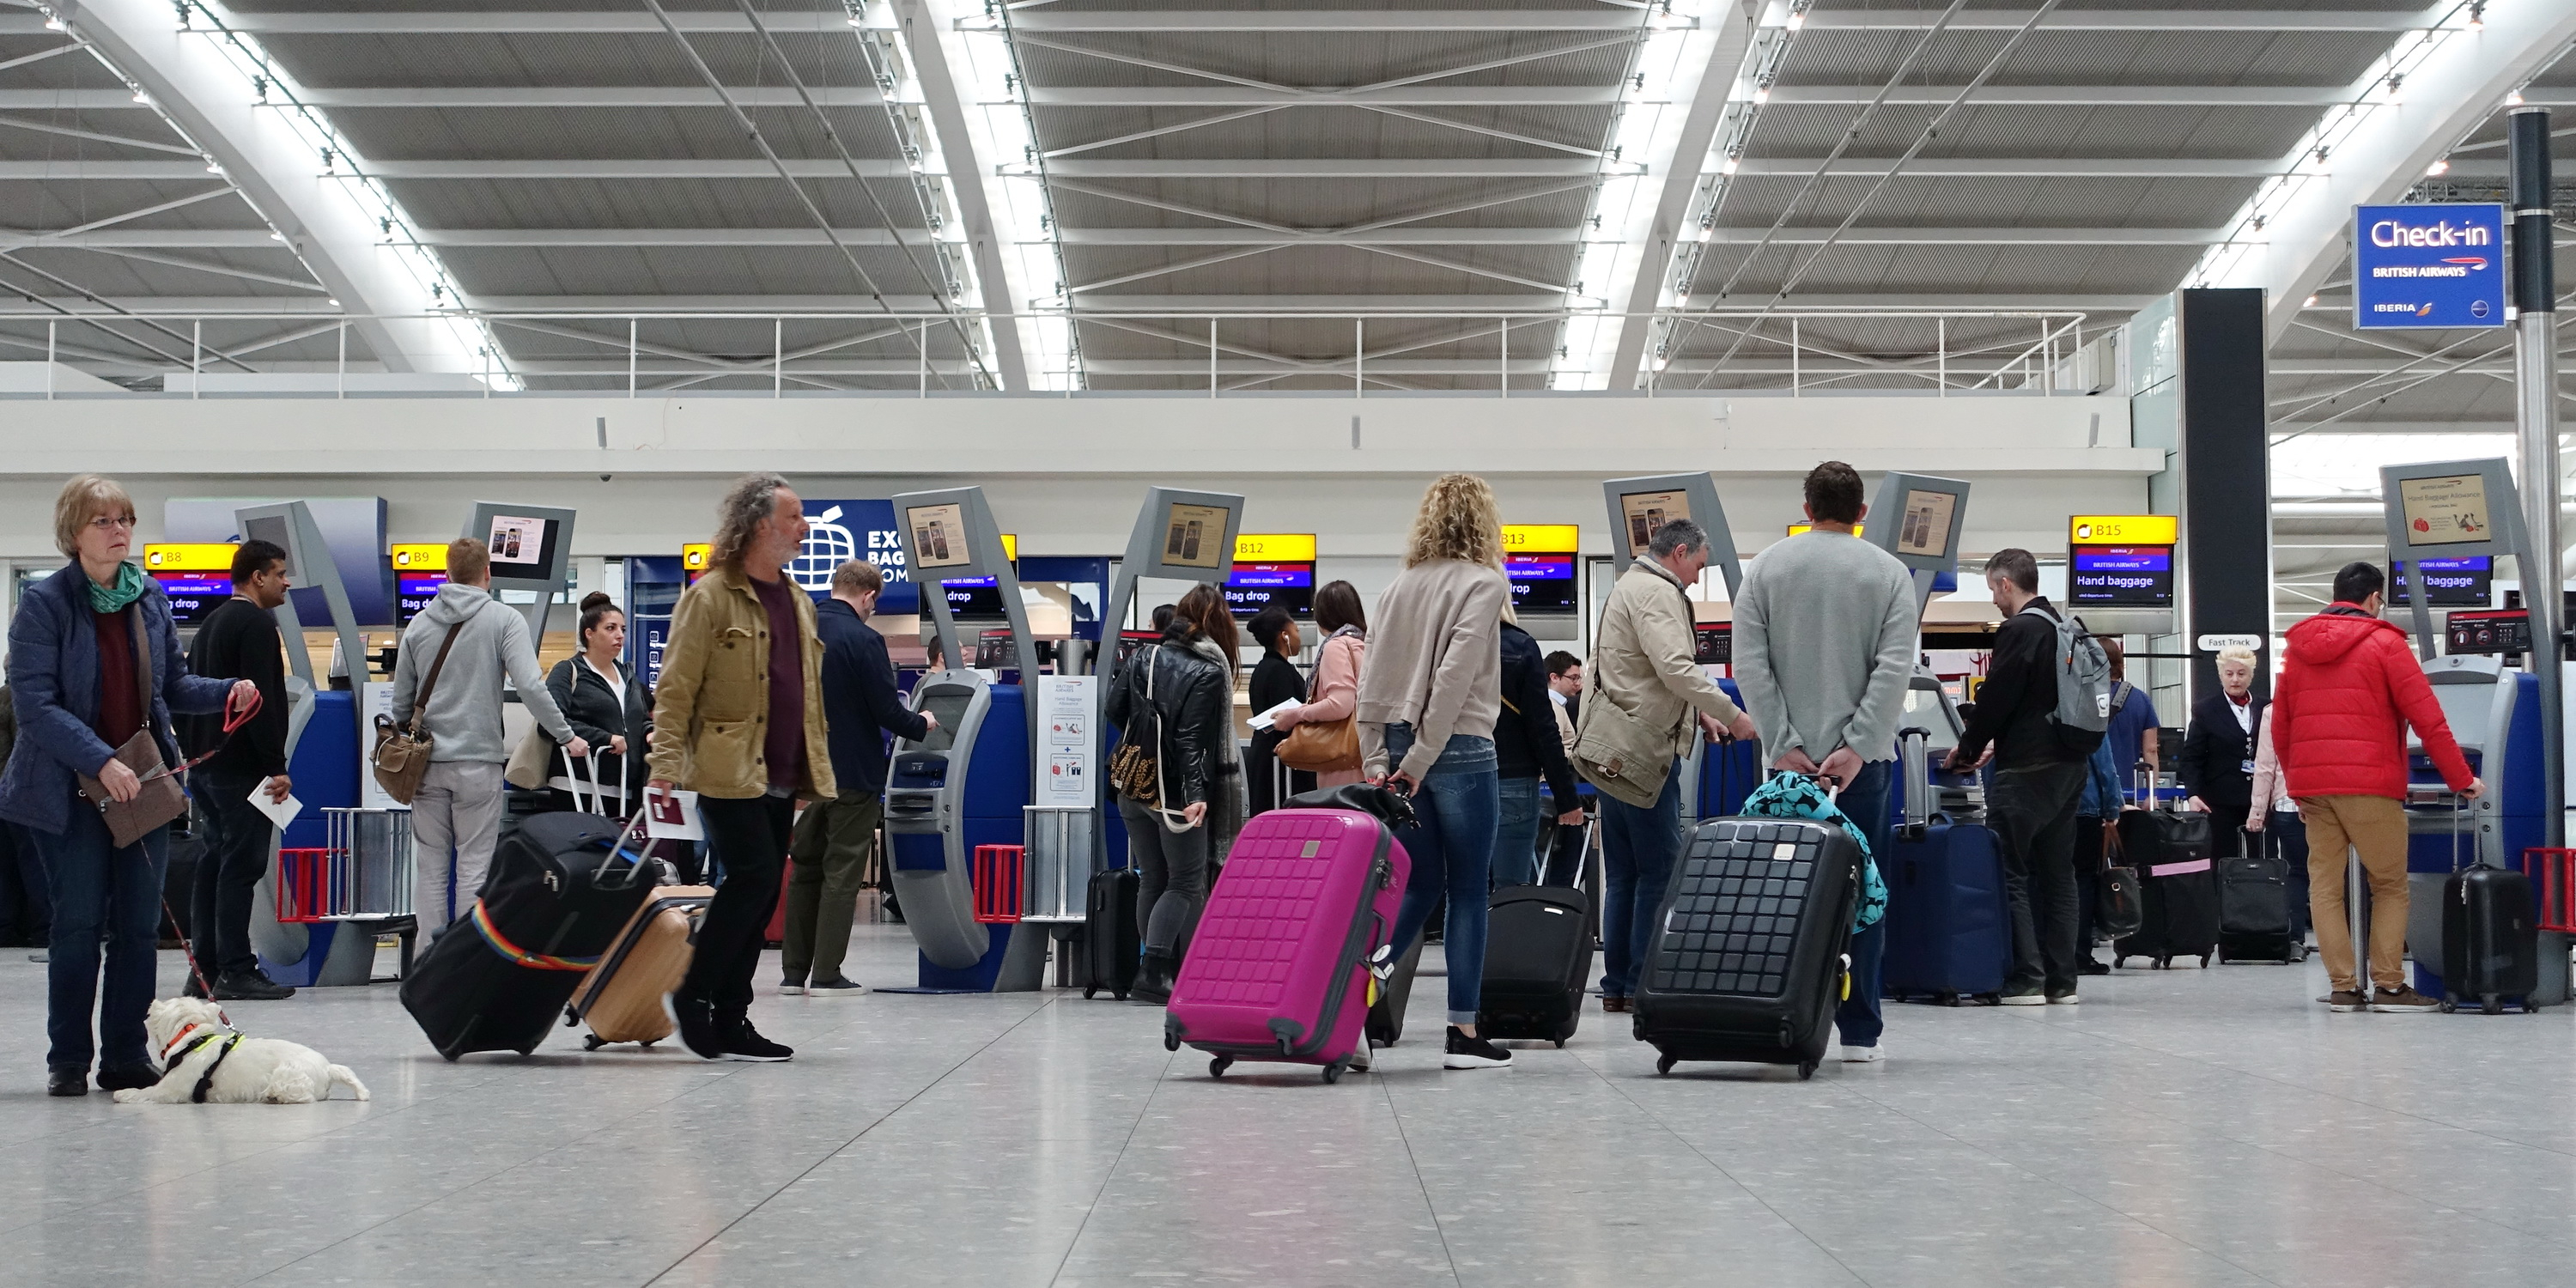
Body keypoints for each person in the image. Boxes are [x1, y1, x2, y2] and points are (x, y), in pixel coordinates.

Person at [1, 475, 253, 1098]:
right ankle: (68, 1060)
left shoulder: (149, 597)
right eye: (104, 521)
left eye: (126, 520)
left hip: (140, 784)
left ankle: (124, 1057)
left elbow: (171, 687)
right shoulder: (44, 604)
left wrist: (227, 691)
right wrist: (99, 760)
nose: (120, 531)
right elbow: (35, 706)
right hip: (65, 790)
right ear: (73, 533)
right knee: (78, 927)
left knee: (140, 930)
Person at [1732, 460, 1917, 1063]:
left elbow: (1750, 666)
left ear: (1806, 508)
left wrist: (1783, 743)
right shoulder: (1889, 574)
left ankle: (1782, 1015)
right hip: (1862, 769)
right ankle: (1859, 1032)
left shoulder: (1765, 568)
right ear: (1861, 512)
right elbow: (1894, 669)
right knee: (1863, 893)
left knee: (1783, 895)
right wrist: (1857, 746)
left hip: (1787, 772)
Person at [648, 473, 835, 1060]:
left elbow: (806, 694)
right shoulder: (709, 597)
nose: (805, 527)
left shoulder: (799, 601)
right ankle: (692, 990)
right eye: (794, 516)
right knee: (752, 878)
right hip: (726, 768)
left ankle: (732, 1019)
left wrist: (810, 768)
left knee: (759, 893)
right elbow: (676, 689)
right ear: (760, 525)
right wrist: (663, 765)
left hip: (781, 773)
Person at [1358, 472, 1522, 1070]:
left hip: (1399, 744)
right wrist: (1424, 759)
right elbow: (1454, 679)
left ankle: (1348, 1001)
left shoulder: (1397, 588)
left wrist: (1381, 758)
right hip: (1459, 748)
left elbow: (1371, 679)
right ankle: (1462, 1032)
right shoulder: (1485, 583)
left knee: (1418, 885)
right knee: (1469, 890)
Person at [2271, 562, 2482, 1012]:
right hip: (2370, 784)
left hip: (2315, 789)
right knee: (2388, 885)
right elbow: (2428, 718)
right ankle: (2389, 986)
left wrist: (2298, 786)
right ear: (2374, 599)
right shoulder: (2386, 643)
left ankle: (2344, 988)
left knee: (2324, 888)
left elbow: (2281, 726)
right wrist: (2461, 779)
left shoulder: (2297, 649)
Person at [1578, 518, 1759, 1017]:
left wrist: (1698, 715)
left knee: (1623, 875)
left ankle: (1617, 984)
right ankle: (1643, 982)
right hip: (1642, 753)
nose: (1697, 578)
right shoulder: (1659, 592)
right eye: (1698, 566)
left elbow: (1634, 672)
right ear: (1679, 553)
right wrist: (1732, 713)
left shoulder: (1626, 586)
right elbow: (1675, 667)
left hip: (1610, 749)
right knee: (1659, 872)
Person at [392, 537, 585, 936]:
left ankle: (430, 959)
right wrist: (566, 735)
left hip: (426, 765)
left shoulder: (419, 624)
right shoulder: (505, 620)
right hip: (479, 764)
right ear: (487, 573)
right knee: (474, 866)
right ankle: (465, 956)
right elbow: (530, 685)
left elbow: (401, 704)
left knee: (430, 866)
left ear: (446, 573)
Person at [1945, 549, 2096, 1005]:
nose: (1994, 599)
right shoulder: (2065, 627)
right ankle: (2062, 982)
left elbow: (1998, 697)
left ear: (2006, 584)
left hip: (2026, 769)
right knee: (2059, 875)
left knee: (2008, 869)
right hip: (2070, 765)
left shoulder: (2019, 630)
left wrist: (1968, 749)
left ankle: (2026, 978)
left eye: (1993, 589)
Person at [781, 561, 931, 999]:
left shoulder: (797, 630)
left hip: (802, 772)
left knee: (805, 868)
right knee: (842, 872)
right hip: (852, 774)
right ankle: (827, 973)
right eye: (873, 605)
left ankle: (793, 974)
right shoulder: (864, 639)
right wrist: (922, 722)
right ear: (868, 597)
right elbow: (886, 710)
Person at [1103, 583, 1243, 1002]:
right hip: (1175, 795)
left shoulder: (1143, 656)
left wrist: (1146, 738)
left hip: (1132, 783)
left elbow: (1114, 708)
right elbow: (1190, 740)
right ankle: (1156, 969)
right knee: (1184, 880)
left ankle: (1152, 967)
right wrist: (1196, 794)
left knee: (1153, 877)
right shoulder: (1209, 671)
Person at [179, 538, 297, 1001]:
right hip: (243, 769)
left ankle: (204, 970)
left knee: (213, 863)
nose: (286, 582)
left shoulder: (211, 624)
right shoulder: (256, 624)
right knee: (241, 868)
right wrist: (276, 767)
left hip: (207, 767)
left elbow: (184, 694)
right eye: (280, 573)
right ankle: (236, 969)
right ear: (257, 577)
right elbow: (260, 702)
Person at [2074, 640, 2155, 974]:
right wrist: (2117, 806)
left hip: (2055, 806)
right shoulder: (2133, 700)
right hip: (2097, 804)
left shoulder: (2058, 700)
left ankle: (2052, 953)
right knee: (2087, 879)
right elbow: (2143, 753)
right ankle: (2082, 950)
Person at [1492, 607, 1583, 888]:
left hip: (1453, 774)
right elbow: (1543, 731)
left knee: (1463, 887)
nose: (1579, 684)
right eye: (1573, 678)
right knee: (1511, 887)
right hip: (1513, 775)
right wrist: (1567, 798)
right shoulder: (1519, 646)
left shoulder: (1442, 641)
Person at [543, 593, 650, 817]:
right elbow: (550, 721)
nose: (620, 635)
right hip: (578, 783)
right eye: (610, 628)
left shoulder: (627, 675)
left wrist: (650, 732)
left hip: (624, 786)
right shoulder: (568, 671)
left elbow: (639, 719)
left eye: (623, 629)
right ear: (589, 634)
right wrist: (606, 738)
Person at [1272, 580, 1367, 790]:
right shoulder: (1365, 644)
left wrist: (1295, 715)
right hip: (1368, 757)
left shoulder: (1336, 647)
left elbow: (1340, 704)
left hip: (1343, 767)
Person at [2179, 645, 2264, 859]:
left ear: (2251, 676)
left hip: (2259, 799)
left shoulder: (2266, 707)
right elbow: (2192, 757)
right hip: (2219, 801)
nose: (2235, 680)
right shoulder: (2206, 709)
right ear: (2221, 676)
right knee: (2224, 860)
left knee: (2261, 860)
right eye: (2229, 674)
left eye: (2241, 674)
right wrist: (2193, 794)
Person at [2242, 702, 2309, 946]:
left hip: (2288, 801)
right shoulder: (2332, 701)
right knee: (2334, 875)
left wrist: (2257, 812)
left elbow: (2265, 766)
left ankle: (2295, 939)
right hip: (2332, 800)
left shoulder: (2275, 711)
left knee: (2296, 872)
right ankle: (2347, 942)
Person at [1243, 605, 1310, 815]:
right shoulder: (1278, 671)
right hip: (1278, 764)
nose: (1299, 636)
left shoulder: (1264, 668)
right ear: (1284, 635)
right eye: (1296, 630)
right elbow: (1286, 718)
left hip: (1265, 756)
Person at [0, 681, 50, 953]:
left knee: (6, 869)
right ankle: (44, 930)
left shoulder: (3, 698)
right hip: (22, 795)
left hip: (3, 795)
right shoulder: (23, 699)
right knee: (36, 865)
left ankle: (7, 930)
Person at [1546, 650, 1583, 740]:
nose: (1578, 683)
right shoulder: (1553, 707)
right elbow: (1554, 744)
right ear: (1554, 678)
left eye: (1579, 678)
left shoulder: (1555, 704)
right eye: (1573, 678)